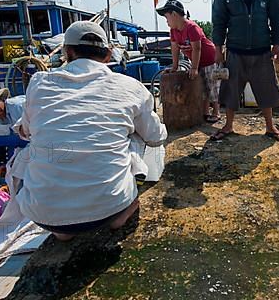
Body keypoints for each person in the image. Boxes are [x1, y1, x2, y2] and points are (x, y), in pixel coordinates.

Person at [15, 21, 167, 241]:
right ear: (107, 55)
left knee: (36, 148)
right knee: (134, 132)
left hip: (43, 214)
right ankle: (118, 215)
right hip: (111, 206)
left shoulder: (39, 83)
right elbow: (155, 138)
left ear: (68, 52)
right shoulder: (131, 86)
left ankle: (63, 230)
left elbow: (26, 132)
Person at [211, 0, 279, 142]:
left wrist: (277, 43)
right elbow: (218, 22)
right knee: (231, 91)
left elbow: (277, 17)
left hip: (262, 51)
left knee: (267, 89)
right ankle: (228, 126)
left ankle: (270, 127)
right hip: (235, 52)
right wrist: (218, 48)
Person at [156, 0, 221, 123]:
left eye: (167, 17)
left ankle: (216, 111)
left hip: (209, 59)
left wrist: (194, 67)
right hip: (197, 61)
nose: (167, 21)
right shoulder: (174, 31)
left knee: (212, 86)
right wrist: (174, 66)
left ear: (174, 14)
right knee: (201, 86)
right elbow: (175, 49)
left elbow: (197, 48)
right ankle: (205, 111)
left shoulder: (191, 27)